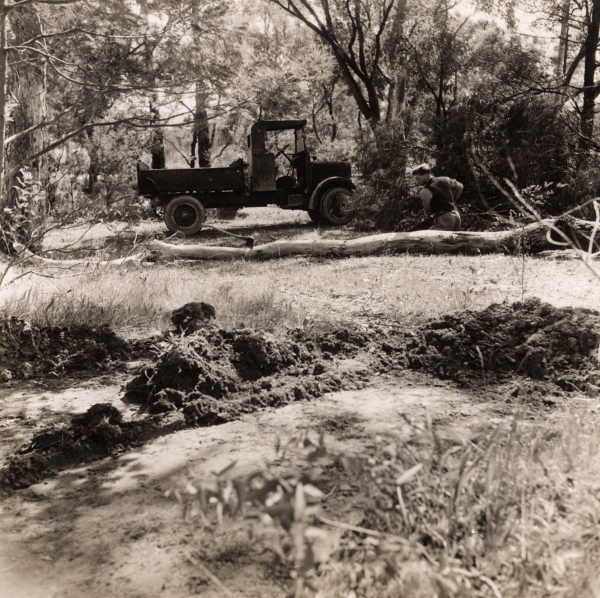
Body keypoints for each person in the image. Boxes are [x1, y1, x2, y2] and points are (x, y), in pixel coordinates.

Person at [411, 164, 463, 231]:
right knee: (453, 240)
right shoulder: (445, 179)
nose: (417, 181)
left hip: (444, 218)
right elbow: (460, 187)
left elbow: (428, 211)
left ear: (426, 174)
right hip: (456, 215)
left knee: (430, 239)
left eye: (418, 178)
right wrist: (453, 200)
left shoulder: (426, 190)